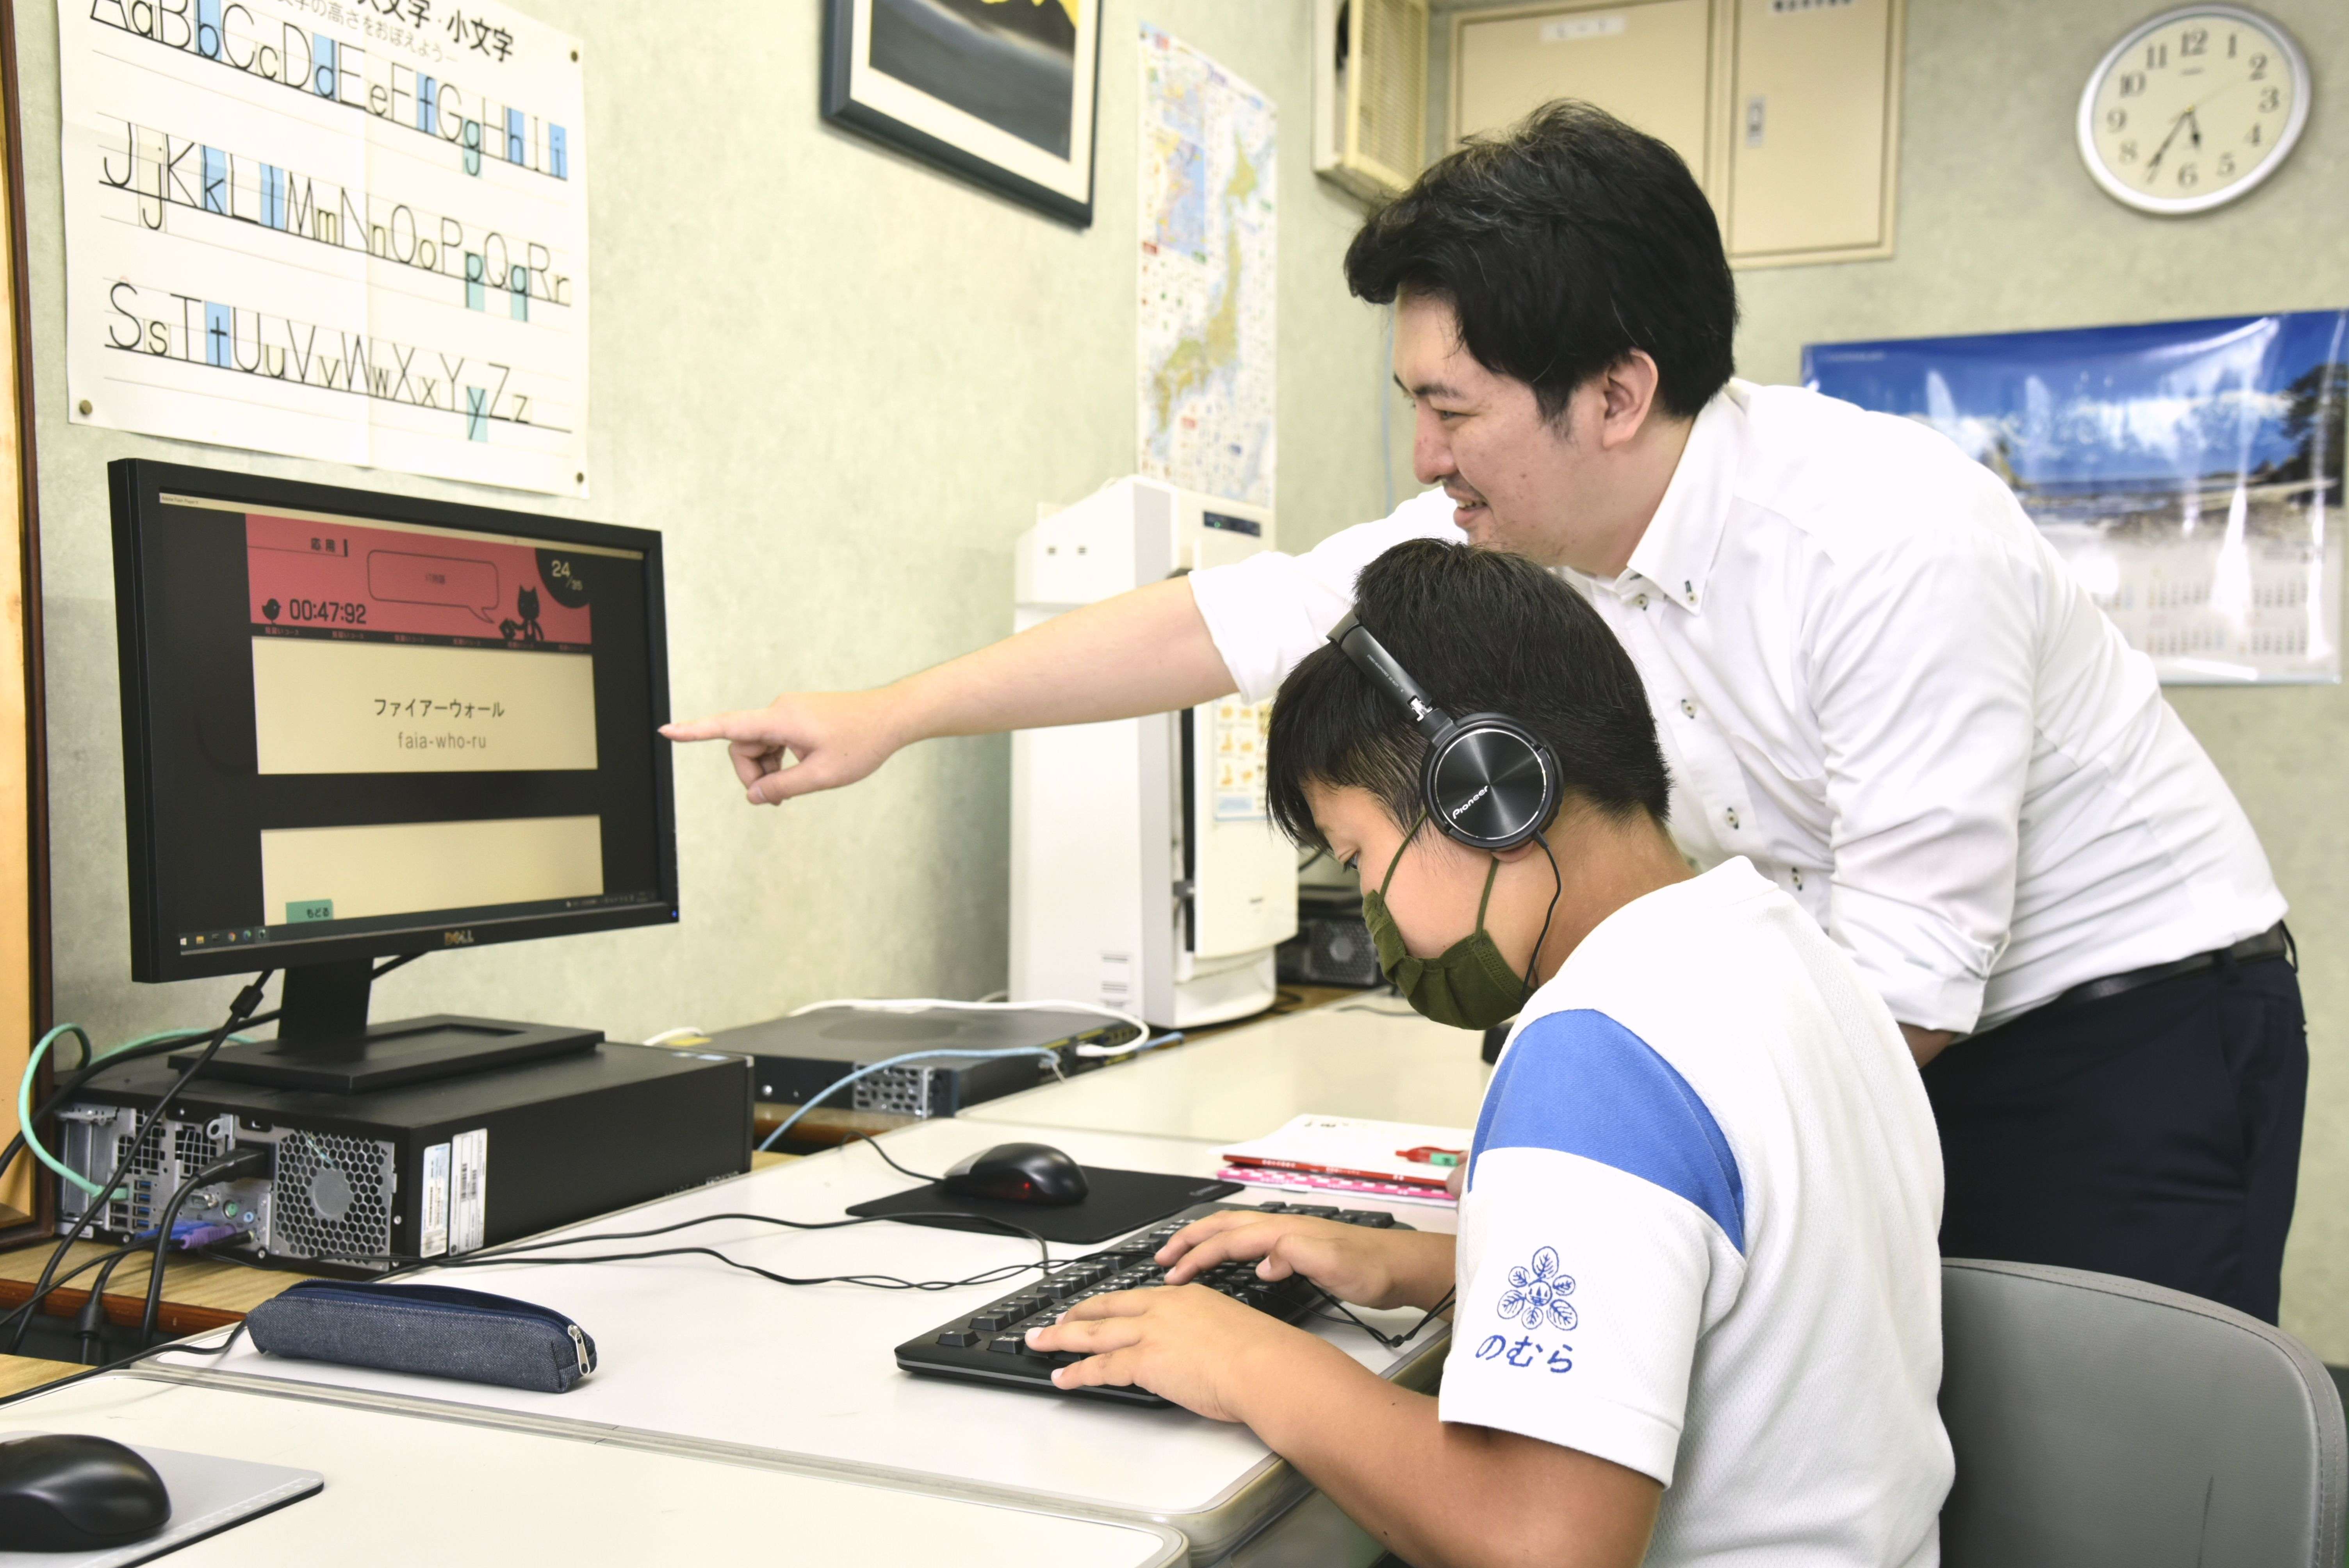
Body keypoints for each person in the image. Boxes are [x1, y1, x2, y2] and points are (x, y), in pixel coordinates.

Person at [665, 101, 2305, 1322]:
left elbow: (1905, 990)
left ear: (1616, 391)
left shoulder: (1888, 540)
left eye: (1450, 411)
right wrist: (891, 712)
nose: (1422, 460)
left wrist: (1568, 1184)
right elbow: (1228, 618)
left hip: (2116, 1031)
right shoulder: (1521, 526)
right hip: (1867, 1039)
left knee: (2089, 1468)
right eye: (1414, 407)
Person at [1023, 539, 1951, 1566]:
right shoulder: (1790, 957)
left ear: (1489, 791)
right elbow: (1760, 1302)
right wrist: (1441, 1268)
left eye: (1363, 856)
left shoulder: (1597, 1055)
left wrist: (1252, 1362)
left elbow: (1541, 1544)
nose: (1374, 908)